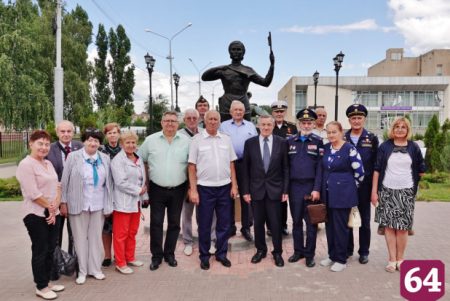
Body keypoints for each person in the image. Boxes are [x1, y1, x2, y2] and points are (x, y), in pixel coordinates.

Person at [371, 117, 425, 273]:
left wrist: (415, 182)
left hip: (406, 192)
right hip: (387, 191)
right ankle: (391, 260)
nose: (400, 129)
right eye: (397, 126)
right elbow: (377, 170)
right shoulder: (385, 147)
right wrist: (374, 192)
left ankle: (401, 259)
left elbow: (421, 169)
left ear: (408, 130)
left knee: (402, 228)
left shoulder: (414, 147)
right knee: (389, 227)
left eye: (403, 127)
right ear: (392, 129)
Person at [60, 128, 113, 284]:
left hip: (98, 204)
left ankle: (95, 269)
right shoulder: (73, 157)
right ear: (83, 141)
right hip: (78, 204)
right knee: (80, 238)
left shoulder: (105, 158)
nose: (93, 143)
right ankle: (82, 271)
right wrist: (63, 202)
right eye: (89, 140)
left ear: (99, 143)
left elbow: (109, 184)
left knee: (96, 238)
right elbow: (64, 181)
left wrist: (108, 205)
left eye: (96, 140)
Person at [138, 111, 190, 271]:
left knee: (174, 223)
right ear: (161, 123)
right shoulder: (150, 140)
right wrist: (144, 183)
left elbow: (192, 166)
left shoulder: (186, 141)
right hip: (156, 189)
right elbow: (141, 161)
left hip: (179, 188)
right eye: (167, 121)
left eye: (173, 121)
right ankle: (156, 256)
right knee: (156, 223)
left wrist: (190, 188)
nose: (170, 124)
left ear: (178, 123)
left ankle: (170, 254)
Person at [17, 130, 65, 300]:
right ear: (31, 143)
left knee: (51, 248)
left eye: (46, 144)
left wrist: (56, 205)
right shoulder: (26, 164)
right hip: (36, 214)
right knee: (40, 249)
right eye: (40, 143)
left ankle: (47, 281)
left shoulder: (48, 164)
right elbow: (33, 193)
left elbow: (58, 186)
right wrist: (51, 208)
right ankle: (41, 286)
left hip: (54, 212)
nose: (44, 147)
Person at [188, 110, 238, 270]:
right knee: (204, 224)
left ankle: (221, 254)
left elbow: (231, 164)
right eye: (210, 119)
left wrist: (234, 185)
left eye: (216, 119)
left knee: (224, 224)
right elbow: (191, 166)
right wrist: (193, 190)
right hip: (204, 188)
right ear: (205, 120)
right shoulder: (196, 140)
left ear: (219, 121)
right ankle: (204, 256)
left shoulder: (226, 139)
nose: (213, 122)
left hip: (224, 187)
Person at [242, 115, 289, 267]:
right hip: (256, 190)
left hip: (275, 190)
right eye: (263, 125)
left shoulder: (282, 143)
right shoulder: (250, 143)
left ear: (273, 125)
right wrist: (246, 191)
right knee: (258, 224)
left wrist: (285, 190)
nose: (266, 127)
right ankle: (260, 250)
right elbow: (246, 170)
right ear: (258, 126)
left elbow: (286, 168)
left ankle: (277, 252)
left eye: (269, 124)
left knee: (276, 224)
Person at [319, 121, 365, 272]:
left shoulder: (349, 149)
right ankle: (332, 255)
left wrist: (350, 187)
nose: (331, 135)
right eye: (329, 132)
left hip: (343, 195)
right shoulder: (326, 148)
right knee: (330, 227)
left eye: (334, 132)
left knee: (341, 228)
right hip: (328, 194)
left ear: (341, 132)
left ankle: (341, 258)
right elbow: (323, 169)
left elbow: (360, 173)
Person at [202, 40, 274, 122]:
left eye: (239, 49)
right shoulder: (224, 70)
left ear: (243, 52)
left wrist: (272, 66)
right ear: (229, 52)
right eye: (233, 49)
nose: (236, 52)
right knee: (225, 130)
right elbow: (204, 77)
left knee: (246, 129)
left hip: (243, 102)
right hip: (227, 103)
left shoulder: (248, 70)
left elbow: (265, 83)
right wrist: (218, 67)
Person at [287, 109, 324, 268]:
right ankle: (298, 251)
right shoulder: (290, 141)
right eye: (304, 122)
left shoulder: (318, 141)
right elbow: (286, 167)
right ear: (299, 124)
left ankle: (309, 254)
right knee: (296, 222)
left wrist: (316, 188)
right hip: (294, 187)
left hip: (311, 188)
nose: (307, 125)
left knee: (311, 223)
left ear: (314, 124)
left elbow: (320, 168)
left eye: (309, 123)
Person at [179, 109, 217, 256]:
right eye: (188, 118)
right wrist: (189, 185)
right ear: (184, 120)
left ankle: (210, 240)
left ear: (199, 119)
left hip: (204, 180)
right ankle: (188, 241)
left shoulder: (204, 132)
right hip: (186, 179)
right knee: (187, 213)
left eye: (194, 117)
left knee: (207, 213)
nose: (192, 120)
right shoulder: (179, 135)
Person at [344, 104, 379, 264]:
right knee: (347, 219)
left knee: (364, 221)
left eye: (359, 118)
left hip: (365, 187)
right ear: (349, 120)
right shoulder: (343, 138)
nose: (356, 121)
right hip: (347, 187)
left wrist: (375, 190)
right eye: (353, 118)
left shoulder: (372, 138)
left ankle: (364, 251)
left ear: (364, 119)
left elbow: (377, 165)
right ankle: (348, 249)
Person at [110, 131, 148, 274]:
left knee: (132, 232)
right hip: (122, 203)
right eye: (128, 143)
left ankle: (130, 257)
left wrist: (142, 195)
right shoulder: (118, 160)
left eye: (133, 142)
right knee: (121, 234)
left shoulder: (138, 158)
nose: (131, 145)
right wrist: (139, 191)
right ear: (121, 144)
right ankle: (120, 262)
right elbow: (120, 182)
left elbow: (142, 180)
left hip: (135, 203)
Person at [219, 100, 258, 241]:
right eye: (235, 110)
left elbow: (255, 146)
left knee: (246, 196)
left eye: (240, 110)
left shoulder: (250, 126)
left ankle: (246, 228)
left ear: (244, 111)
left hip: (246, 165)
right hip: (228, 165)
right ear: (231, 112)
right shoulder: (223, 126)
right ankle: (230, 227)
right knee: (228, 196)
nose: (238, 112)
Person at [46, 120, 83, 255]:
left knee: (75, 234)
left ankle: (73, 263)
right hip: (55, 199)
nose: (66, 134)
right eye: (62, 131)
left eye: (69, 131)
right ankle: (55, 265)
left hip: (76, 198)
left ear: (73, 133)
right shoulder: (49, 149)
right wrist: (60, 200)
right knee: (55, 235)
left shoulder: (80, 147)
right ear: (57, 133)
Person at [271, 100, 297, 236]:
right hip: (272, 168)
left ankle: (283, 225)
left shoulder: (292, 128)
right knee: (271, 199)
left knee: (283, 199)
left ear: (285, 112)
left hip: (287, 167)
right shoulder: (269, 126)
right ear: (272, 112)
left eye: (281, 111)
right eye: (276, 111)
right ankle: (270, 227)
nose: (279, 113)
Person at [99, 122, 121, 267]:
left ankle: (119, 254)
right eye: (109, 133)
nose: (112, 135)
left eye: (114, 132)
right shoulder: (100, 151)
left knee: (119, 226)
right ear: (106, 136)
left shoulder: (124, 149)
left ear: (119, 134)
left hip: (120, 193)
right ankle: (107, 255)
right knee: (106, 227)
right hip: (105, 192)